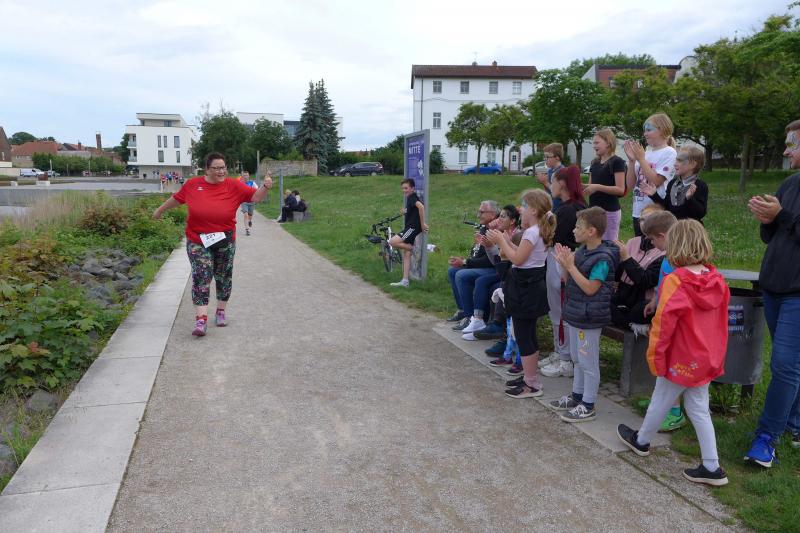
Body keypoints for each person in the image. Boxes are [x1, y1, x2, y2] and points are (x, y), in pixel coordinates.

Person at [617, 220, 730, 486]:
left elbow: (663, 324)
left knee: (661, 399)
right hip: (705, 357)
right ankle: (711, 465)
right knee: (698, 408)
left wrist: (656, 356)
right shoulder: (716, 280)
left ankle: (642, 441)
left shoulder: (675, 281)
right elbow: (721, 323)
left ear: (675, 245)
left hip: (679, 357)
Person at [152, 152, 272, 336]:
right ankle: (201, 320)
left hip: (225, 240)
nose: (221, 171)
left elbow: (255, 198)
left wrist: (265, 186)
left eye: (223, 167)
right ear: (207, 169)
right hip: (198, 239)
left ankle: (221, 311)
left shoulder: (233, 185)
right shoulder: (193, 184)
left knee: (224, 277)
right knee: (201, 275)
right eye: (216, 168)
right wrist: (160, 210)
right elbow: (177, 199)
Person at [744, 119, 800, 467]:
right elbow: (774, 236)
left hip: (797, 293)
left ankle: (767, 438)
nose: (786, 149)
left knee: (784, 365)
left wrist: (783, 215)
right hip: (775, 286)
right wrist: (769, 221)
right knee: (792, 364)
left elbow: (791, 223)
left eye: (793, 142)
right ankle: (794, 423)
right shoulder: (790, 183)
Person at [550, 207, 620, 422]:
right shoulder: (581, 252)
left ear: (591, 231)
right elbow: (569, 281)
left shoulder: (603, 258)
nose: (573, 230)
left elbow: (590, 288)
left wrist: (570, 267)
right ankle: (577, 396)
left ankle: (588, 405)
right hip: (576, 314)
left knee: (588, 362)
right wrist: (563, 265)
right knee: (577, 359)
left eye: (578, 227)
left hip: (590, 318)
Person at [486, 189, 554, 399]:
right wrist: (506, 240)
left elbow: (517, 259)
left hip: (526, 288)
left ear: (533, 210)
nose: (521, 210)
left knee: (524, 337)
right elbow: (521, 254)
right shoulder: (536, 230)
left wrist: (501, 242)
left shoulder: (532, 232)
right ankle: (529, 377)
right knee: (528, 335)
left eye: (524, 206)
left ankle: (532, 384)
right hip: (530, 286)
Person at [540, 165, 585, 378]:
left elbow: (553, 237)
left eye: (552, 181)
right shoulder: (569, 207)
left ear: (562, 183)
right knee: (556, 310)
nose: (550, 185)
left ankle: (566, 359)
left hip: (562, 261)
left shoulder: (569, 210)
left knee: (560, 310)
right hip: (559, 260)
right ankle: (560, 351)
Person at [611, 209, 676, 330]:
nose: (651, 242)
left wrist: (627, 258)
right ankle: (628, 321)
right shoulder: (634, 242)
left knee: (638, 312)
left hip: (646, 300)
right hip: (628, 294)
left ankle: (628, 322)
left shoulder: (667, 257)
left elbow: (645, 281)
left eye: (652, 239)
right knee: (602, 302)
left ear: (661, 236)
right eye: (641, 219)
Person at [446, 201, 500, 331]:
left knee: (461, 274)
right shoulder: (484, 227)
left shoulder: (495, 230)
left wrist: (465, 262)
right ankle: (463, 310)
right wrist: (464, 260)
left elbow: (490, 260)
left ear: (492, 214)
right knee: (453, 271)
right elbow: (478, 253)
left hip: (494, 269)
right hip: (483, 266)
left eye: (482, 212)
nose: (478, 215)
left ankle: (470, 317)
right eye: (478, 211)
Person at [625, 113, 678, 236]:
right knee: (641, 246)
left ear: (662, 130)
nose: (645, 134)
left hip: (656, 213)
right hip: (638, 212)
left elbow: (656, 181)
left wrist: (641, 159)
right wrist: (632, 161)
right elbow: (630, 185)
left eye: (649, 130)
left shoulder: (669, 152)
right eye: (644, 130)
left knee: (655, 246)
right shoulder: (646, 153)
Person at [640, 145, 708, 223]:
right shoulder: (672, 183)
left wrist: (690, 199)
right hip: (673, 227)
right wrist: (654, 195)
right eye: (676, 160)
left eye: (680, 160)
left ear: (693, 164)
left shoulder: (699, 186)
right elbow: (667, 207)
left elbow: (701, 213)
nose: (675, 164)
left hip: (690, 228)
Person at [584, 128, 627, 241]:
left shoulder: (617, 162)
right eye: (593, 143)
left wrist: (597, 187)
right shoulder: (594, 163)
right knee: (594, 243)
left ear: (608, 143)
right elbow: (590, 186)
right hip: (593, 211)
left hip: (609, 212)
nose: (594, 146)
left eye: (597, 143)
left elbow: (620, 189)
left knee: (608, 245)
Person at [389, 178, 428, 288]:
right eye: (403, 188)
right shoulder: (410, 198)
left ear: (412, 188)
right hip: (410, 227)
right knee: (406, 254)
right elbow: (414, 209)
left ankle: (413, 248)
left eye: (406, 188)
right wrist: (405, 211)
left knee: (392, 242)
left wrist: (423, 224)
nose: (404, 190)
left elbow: (421, 207)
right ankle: (405, 281)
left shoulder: (412, 197)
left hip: (411, 228)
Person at [537, 143, 565, 210]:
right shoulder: (550, 171)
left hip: (559, 208)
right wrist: (543, 182)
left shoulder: (562, 172)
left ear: (557, 158)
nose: (545, 159)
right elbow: (548, 190)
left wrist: (545, 182)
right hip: (551, 206)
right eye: (544, 157)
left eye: (547, 157)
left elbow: (559, 192)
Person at [239, 171, 258, 236]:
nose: (245, 177)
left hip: (251, 201)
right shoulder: (240, 183)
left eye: (246, 175)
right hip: (244, 202)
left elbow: (257, 190)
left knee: (250, 215)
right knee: (245, 215)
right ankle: (247, 230)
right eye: (244, 175)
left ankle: (249, 221)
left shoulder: (252, 183)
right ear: (242, 176)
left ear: (249, 176)